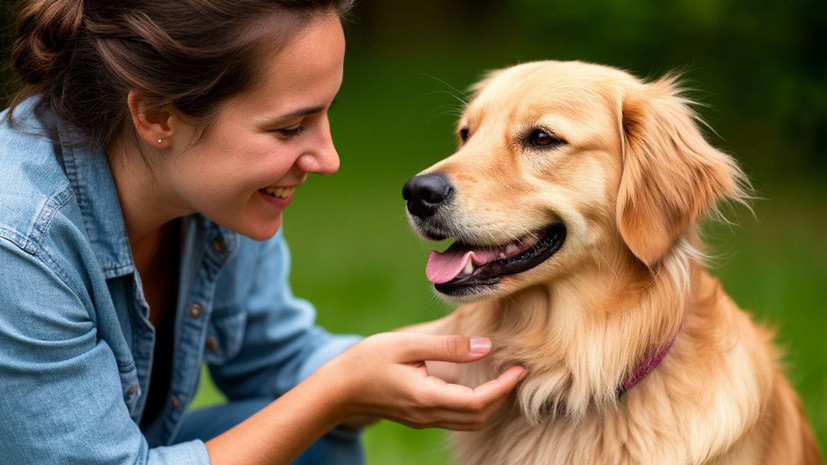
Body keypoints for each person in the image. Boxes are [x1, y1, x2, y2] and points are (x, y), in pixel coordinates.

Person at [0, 1, 528, 464]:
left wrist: (484, 346)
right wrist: (340, 390)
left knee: (314, 439)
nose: (329, 159)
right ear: (158, 117)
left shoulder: (208, 193)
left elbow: (276, 363)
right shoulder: (19, 244)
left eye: (326, 114)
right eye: (289, 128)